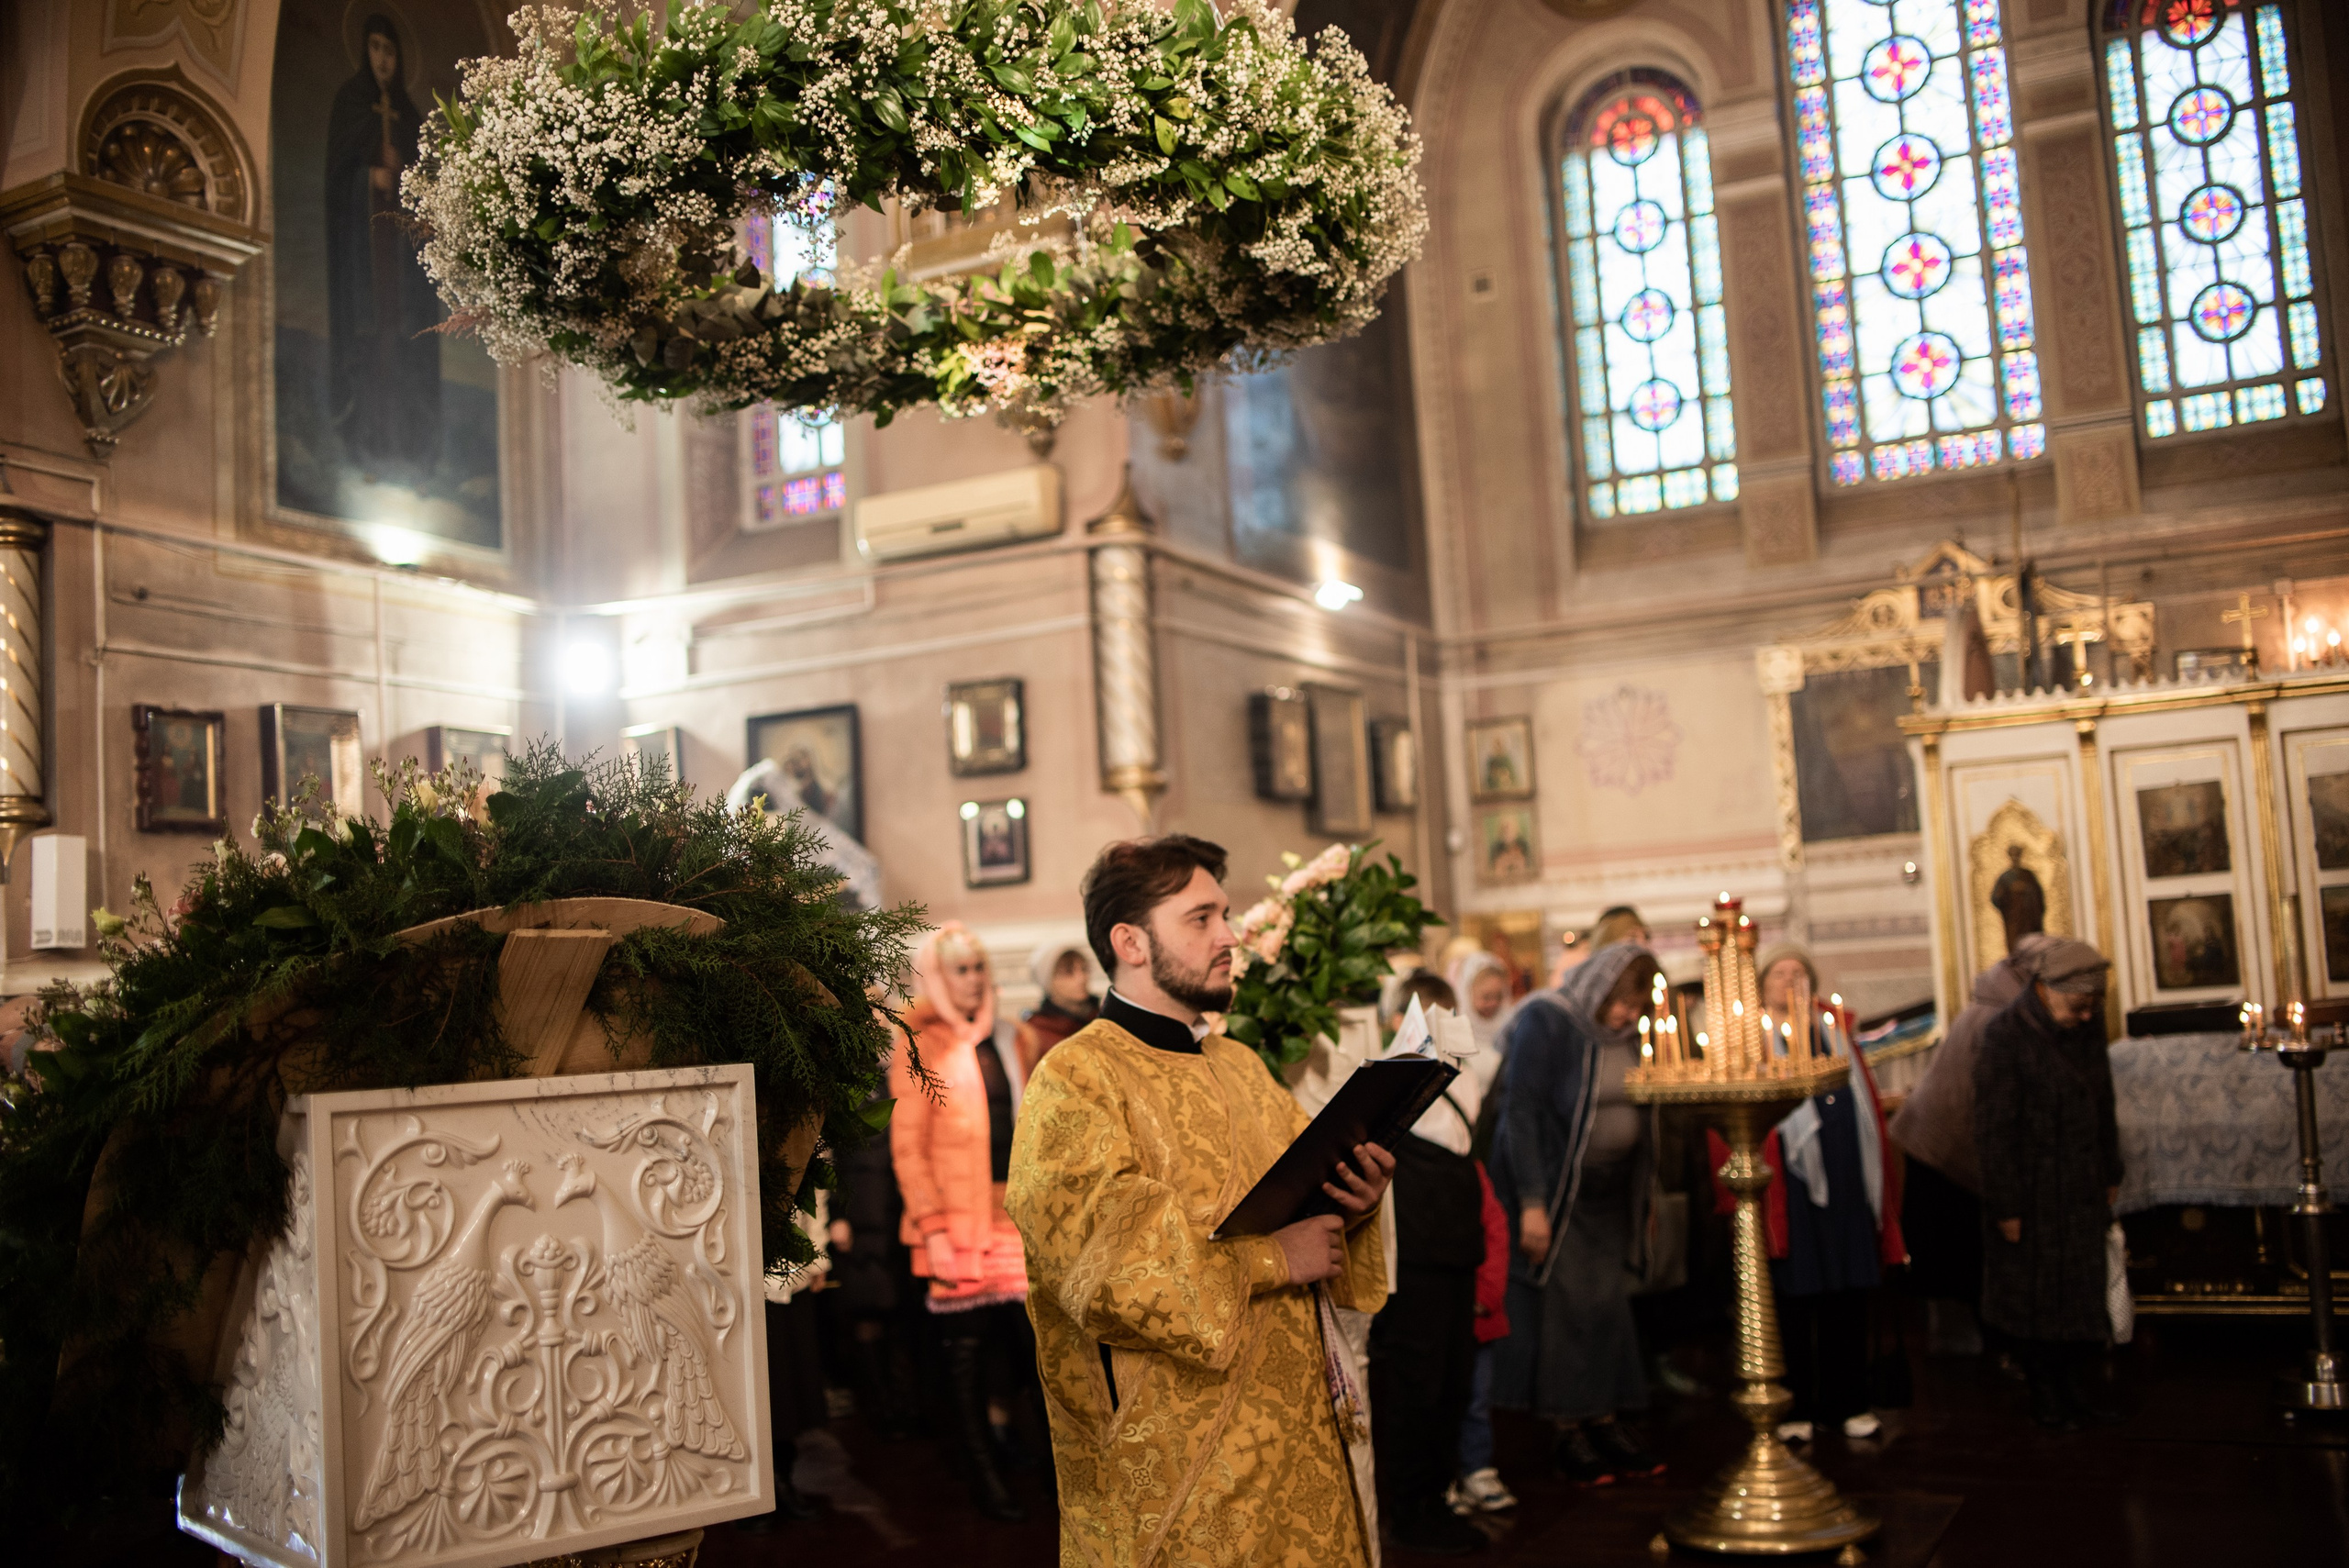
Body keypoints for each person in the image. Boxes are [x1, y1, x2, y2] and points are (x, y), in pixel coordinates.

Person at [1007, 836, 1396, 1567]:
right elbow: (1104, 1266)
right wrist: (1274, 1258)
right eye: (1202, 918)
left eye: (1226, 913)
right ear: (1131, 942)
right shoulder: (1076, 1078)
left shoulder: (1240, 1062)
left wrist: (1357, 1199)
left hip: (1297, 1432)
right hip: (1183, 1461)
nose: (1229, 935)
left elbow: (1304, 1202)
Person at [1488, 940, 1665, 1485]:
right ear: (1600, 985)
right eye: (1620, 1003)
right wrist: (1533, 1204)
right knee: (1566, 1313)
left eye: (1637, 1007)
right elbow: (1520, 1111)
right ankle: (1569, 1433)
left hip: (1611, 1193)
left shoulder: (1629, 1036)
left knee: (1607, 1308)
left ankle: (1606, 1420)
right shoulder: (1549, 1019)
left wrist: (1646, 1199)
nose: (1626, 1016)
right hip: (1559, 1193)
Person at [1715, 946, 1905, 1446]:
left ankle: (1850, 1403)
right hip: (1787, 1190)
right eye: (1780, 972)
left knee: (1846, 1294)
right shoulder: (1750, 1037)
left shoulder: (1833, 1030)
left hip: (1844, 1182)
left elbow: (1861, 1098)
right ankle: (1795, 1405)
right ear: (1763, 984)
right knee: (1793, 1300)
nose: (1790, 979)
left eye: (1800, 972)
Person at [890, 925, 1042, 1519]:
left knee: (1027, 1347)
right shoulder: (920, 1044)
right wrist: (930, 1224)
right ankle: (981, 1472)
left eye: (978, 966)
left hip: (1016, 1216)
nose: (973, 978)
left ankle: (1017, 1448)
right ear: (937, 976)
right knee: (966, 1354)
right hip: (957, 1223)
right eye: (960, 968)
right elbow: (909, 1145)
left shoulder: (1013, 1035)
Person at [1971, 938, 2123, 1431]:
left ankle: (2075, 1390)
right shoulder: (2004, 1035)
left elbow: (2104, 1103)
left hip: (2079, 1186)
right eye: (2078, 1005)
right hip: (2031, 1193)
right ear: (2045, 989)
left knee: (2080, 1293)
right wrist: (2006, 1207)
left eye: (2091, 1007)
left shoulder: (2085, 1026)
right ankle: (2045, 1394)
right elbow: (1994, 1129)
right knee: (2035, 1301)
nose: (2086, 1017)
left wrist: (2111, 1172)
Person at [1369, 973, 1487, 1555]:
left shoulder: (1467, 1078)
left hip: (1457, 1253)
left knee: (1454, 1382)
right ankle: (1409, 1510)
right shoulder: (1388, 1082)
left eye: (1448, 1013)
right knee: (1417, 1384)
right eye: (1428, 1014)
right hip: (1414, 1259)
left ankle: (1437, 1498)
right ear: (1401, 1022)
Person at [1889, 934, 2050, 1355]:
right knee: (1964, 1256)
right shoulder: (2002, 1015)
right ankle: (1982, 1349)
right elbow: (1993, 1106)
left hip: (1941, 1143)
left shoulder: (1999, 1001)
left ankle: (1980, 1345)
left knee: (1962, 1256)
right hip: (1945, 1149)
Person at [1441, 949, 1520, 1517]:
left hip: (1479, 1303)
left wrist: (1487, 1293)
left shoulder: (1476, 1175)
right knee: (1446, 1392)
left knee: (1477, 1396)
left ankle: (1478, 1466)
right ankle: (1450, 1473)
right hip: (1443, 1298)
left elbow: (1494, 1232)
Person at [1021, 937, 1099, 1070]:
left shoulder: (1102, 1020)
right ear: (1049, 980)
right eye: (1068, 972)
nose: (1081, 978)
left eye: (1084, 969)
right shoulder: (1036, 1033)